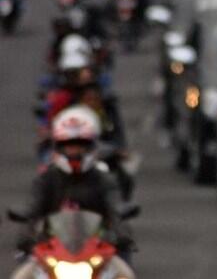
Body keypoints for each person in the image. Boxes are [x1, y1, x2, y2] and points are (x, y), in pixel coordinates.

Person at [12, 105, 135, 279]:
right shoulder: (47, 179)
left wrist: (123, 234)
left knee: (126, 275)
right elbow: (33, 209)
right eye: (69, 146)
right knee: (21, 277)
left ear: (91, 147)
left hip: (97, 250)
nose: (74, 151)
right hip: (53, 251)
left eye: (80, 146)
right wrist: (25, 235)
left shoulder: (103, 179)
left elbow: (115, 207)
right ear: (59, 148)